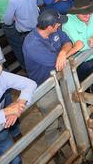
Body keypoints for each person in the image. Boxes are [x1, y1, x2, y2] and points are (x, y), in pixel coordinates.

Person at [22, 10, 74, 145]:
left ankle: (67, 136)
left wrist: (63, 52)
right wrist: (71, 50)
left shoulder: (54, 31)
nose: (59, 26)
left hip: (59, 79)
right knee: (52, 120)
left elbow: (67, 41)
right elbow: (56, 62)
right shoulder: (32, 44)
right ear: (49, 27)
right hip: (45, 87)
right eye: (57, 24)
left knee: (66, 111)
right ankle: (56, 148)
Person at [62, 0, 93, 94]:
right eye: (84, 14)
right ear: (76, 13)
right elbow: (80, 45)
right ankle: (87, 107)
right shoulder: (68, 23)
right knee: (82, 87)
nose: (88, 16)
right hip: (80, 62)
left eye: (90, 13)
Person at [2, 0, 38, 70]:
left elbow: (7, 21)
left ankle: (28, 70)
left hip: (25, 32)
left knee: (26, 54)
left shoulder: (13, 0)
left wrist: (15, 18)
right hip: (36, 28)